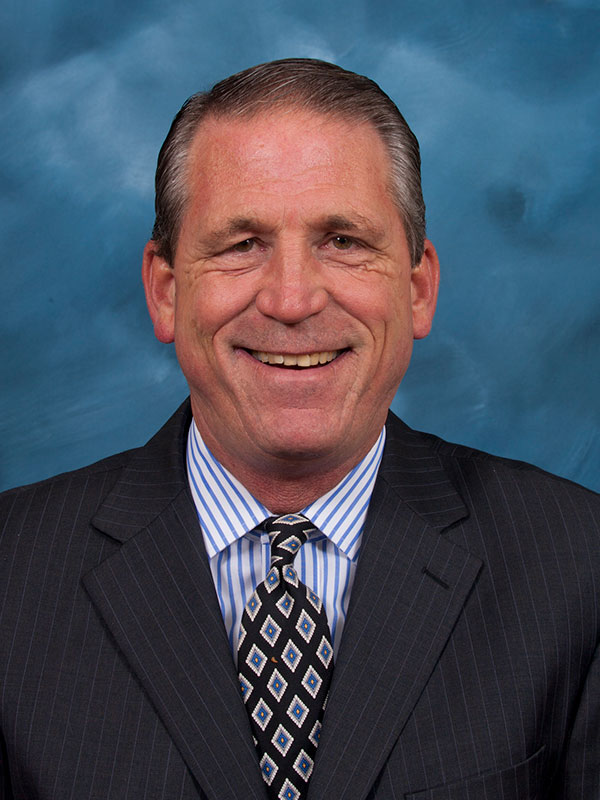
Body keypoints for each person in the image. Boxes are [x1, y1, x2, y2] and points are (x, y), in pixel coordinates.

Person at [0, 58, 598, 800]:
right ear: (165, 292)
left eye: (343, 241)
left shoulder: (579, 568)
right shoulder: (11, 577)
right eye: (241, 244)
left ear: (417, 290)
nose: (291, 300)